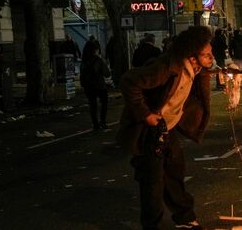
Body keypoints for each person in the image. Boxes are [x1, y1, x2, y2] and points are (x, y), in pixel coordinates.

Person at [116, 26, 214, 230]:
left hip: (167, 128)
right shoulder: (168, 67)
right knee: (153, 182)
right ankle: (153, 226)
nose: (211, 57)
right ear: (192, 56)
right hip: (147, 131)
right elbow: (129, 81)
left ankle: (185, 219)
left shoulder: (196, 70)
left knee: (175, 171)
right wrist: (146, 115)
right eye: (206, 54)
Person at [80, 44, 111, 131]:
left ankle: (95, 124)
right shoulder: (98, 60)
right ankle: (103, 121)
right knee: (104, 102)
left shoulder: (84, 61)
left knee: (93, 105)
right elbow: (107, 73)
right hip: (99, 85)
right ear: (95, 50)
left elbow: (82, 74)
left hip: (88, 86)